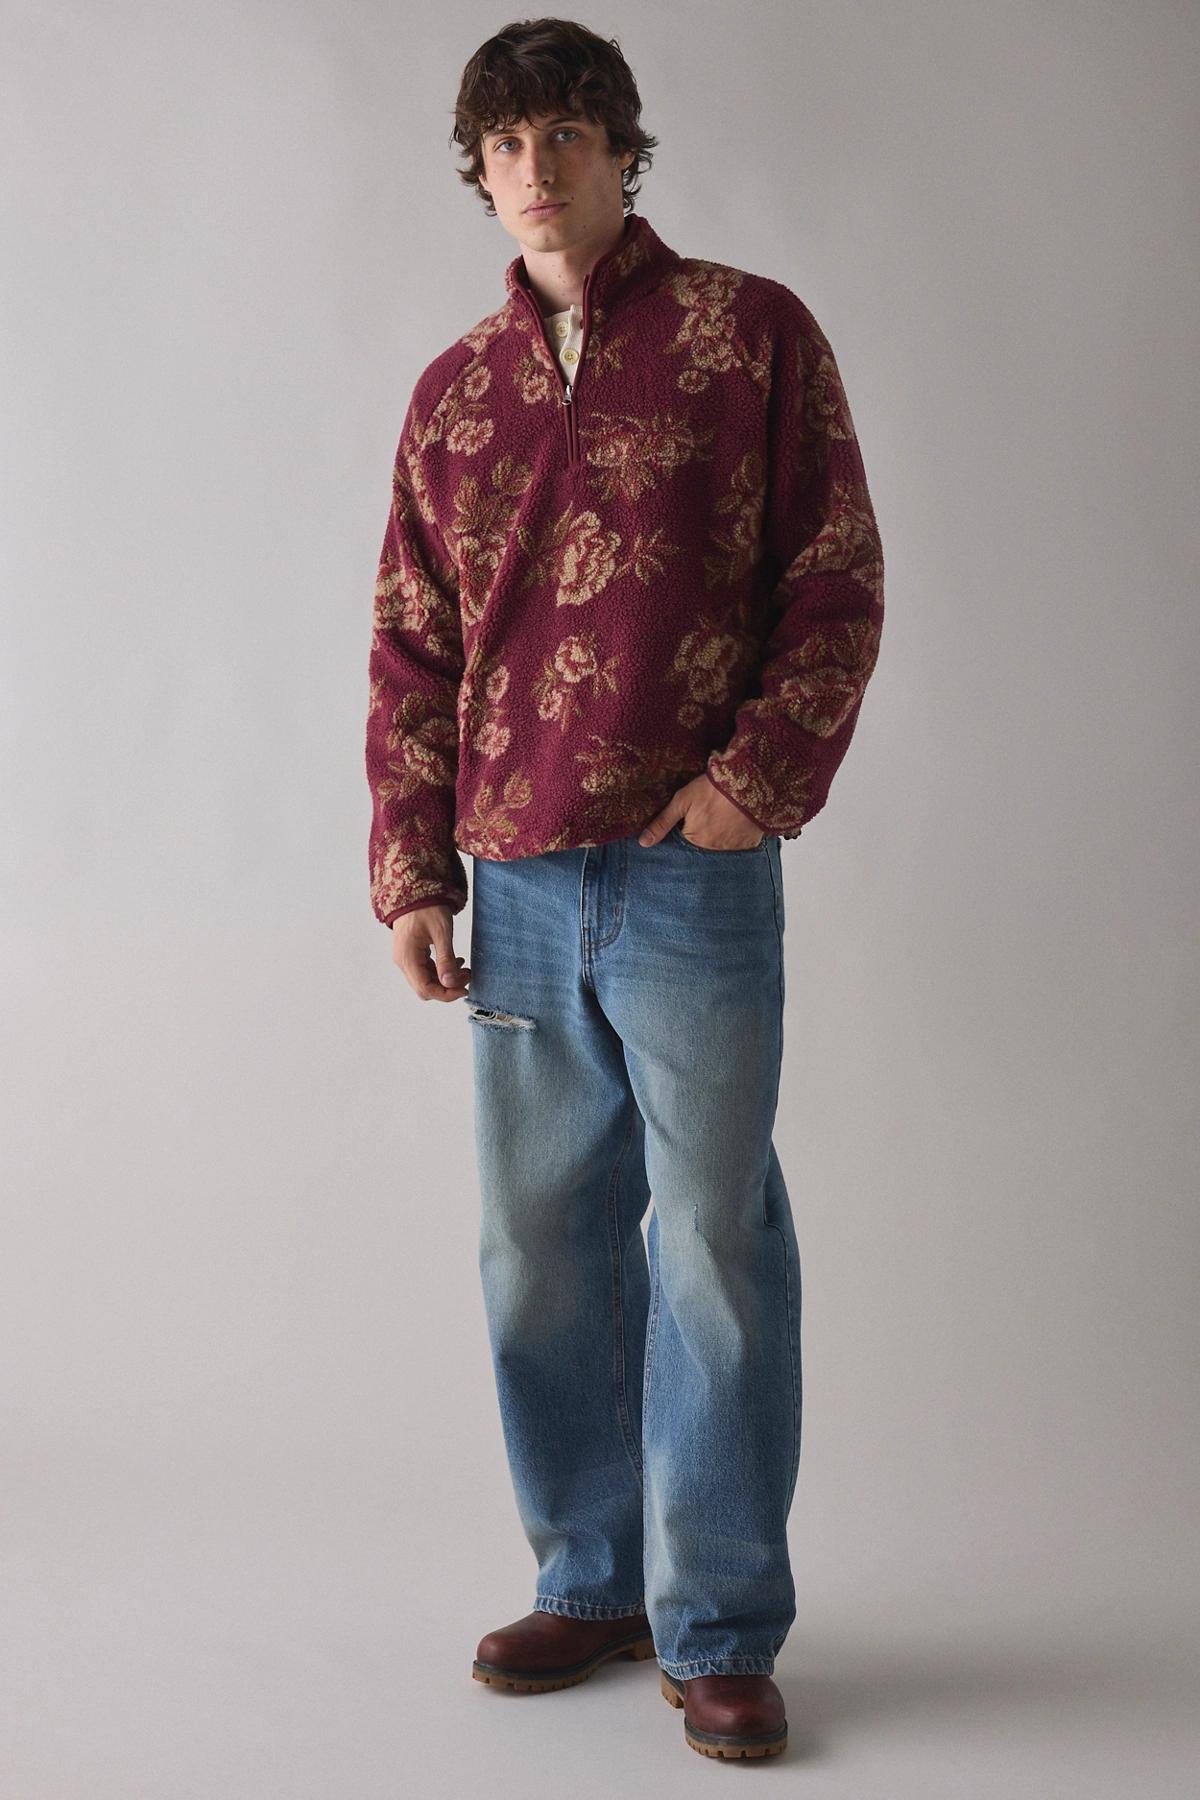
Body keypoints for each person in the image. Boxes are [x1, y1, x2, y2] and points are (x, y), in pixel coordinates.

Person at [364, 17, 884, 1762]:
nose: (537, 170)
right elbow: (412, 644)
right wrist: (412, 869)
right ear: (479, 168)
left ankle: (717, 1620)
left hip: (689, 876)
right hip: (513, 876)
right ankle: (590, 1578)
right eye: (507, 144)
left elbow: (834, 574)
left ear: (622, 148)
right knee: (538, 1247)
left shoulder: (750, 335)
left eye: (568, 135)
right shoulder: (454, 394)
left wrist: (753, 784)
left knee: (715, 1242)